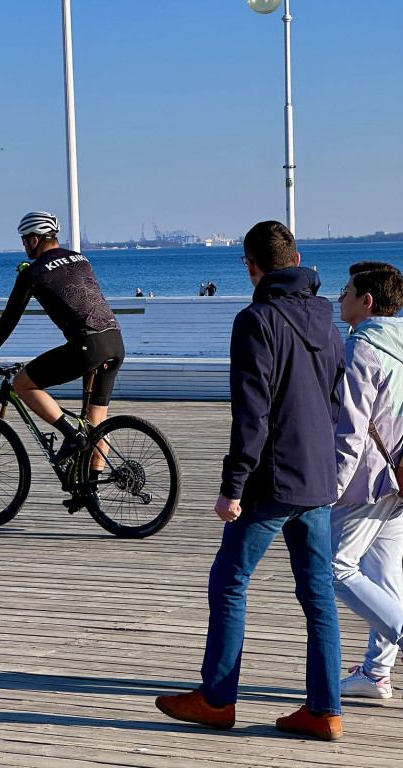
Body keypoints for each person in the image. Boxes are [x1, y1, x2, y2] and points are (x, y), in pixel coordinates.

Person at [155, 221, 345, 740]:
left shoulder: (256, 320)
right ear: (298, 258)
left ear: (250, 265)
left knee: (229, 581)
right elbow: (333, 402)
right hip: (318, 479)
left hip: (271, 481)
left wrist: (232, 486)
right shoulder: (328, 321)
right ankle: (325, 710)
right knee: (318, 596)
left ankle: (217, 699)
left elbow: (252, 413)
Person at [0, 211, 124, 467]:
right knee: (96, 426)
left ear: (34, 240)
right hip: (115, 341)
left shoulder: (33, 272)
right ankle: (90, 491)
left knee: (22, 384)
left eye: (24, 239)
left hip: (87, 346)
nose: (23, 245)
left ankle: (70, 435)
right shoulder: (80, 258)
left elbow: (9, 318)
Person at [331, 262, 403, 699]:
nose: (340, 297)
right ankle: (376, 673)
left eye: (346, 290)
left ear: (366, 301)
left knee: (336, 568)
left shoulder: (362, 348)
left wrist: (331, 490)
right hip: (401, 474)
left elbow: (351, 430)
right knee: (385, 574)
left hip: (371, 479)